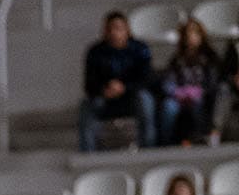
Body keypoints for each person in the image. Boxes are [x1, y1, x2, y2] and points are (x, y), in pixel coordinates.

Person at [78, 11, 155, 153]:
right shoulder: (95, 52)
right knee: (86, 106)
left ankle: (148, 148)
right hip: (106, 98)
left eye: (118, 28)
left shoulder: (140, 49)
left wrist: (124, 87)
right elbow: (89, 84)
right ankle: (87, 152)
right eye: (109, 29)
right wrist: (104, 90)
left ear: (127, 30)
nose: (114, 33)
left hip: (132, 97)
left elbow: (147, 79)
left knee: (146, 100)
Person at [158, 17, 222, 148]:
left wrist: (197, 92)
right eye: (187, 34)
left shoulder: (210, 58)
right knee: (168, 107)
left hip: (200, 97)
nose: (190, 37)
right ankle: (165, 142)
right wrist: (177, 92)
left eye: (194, 33)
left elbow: (213, 84)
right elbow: (168, 81)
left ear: (201, 36)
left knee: (198, 105)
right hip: (178, 97)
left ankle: (201, 137)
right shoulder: (176, 59)